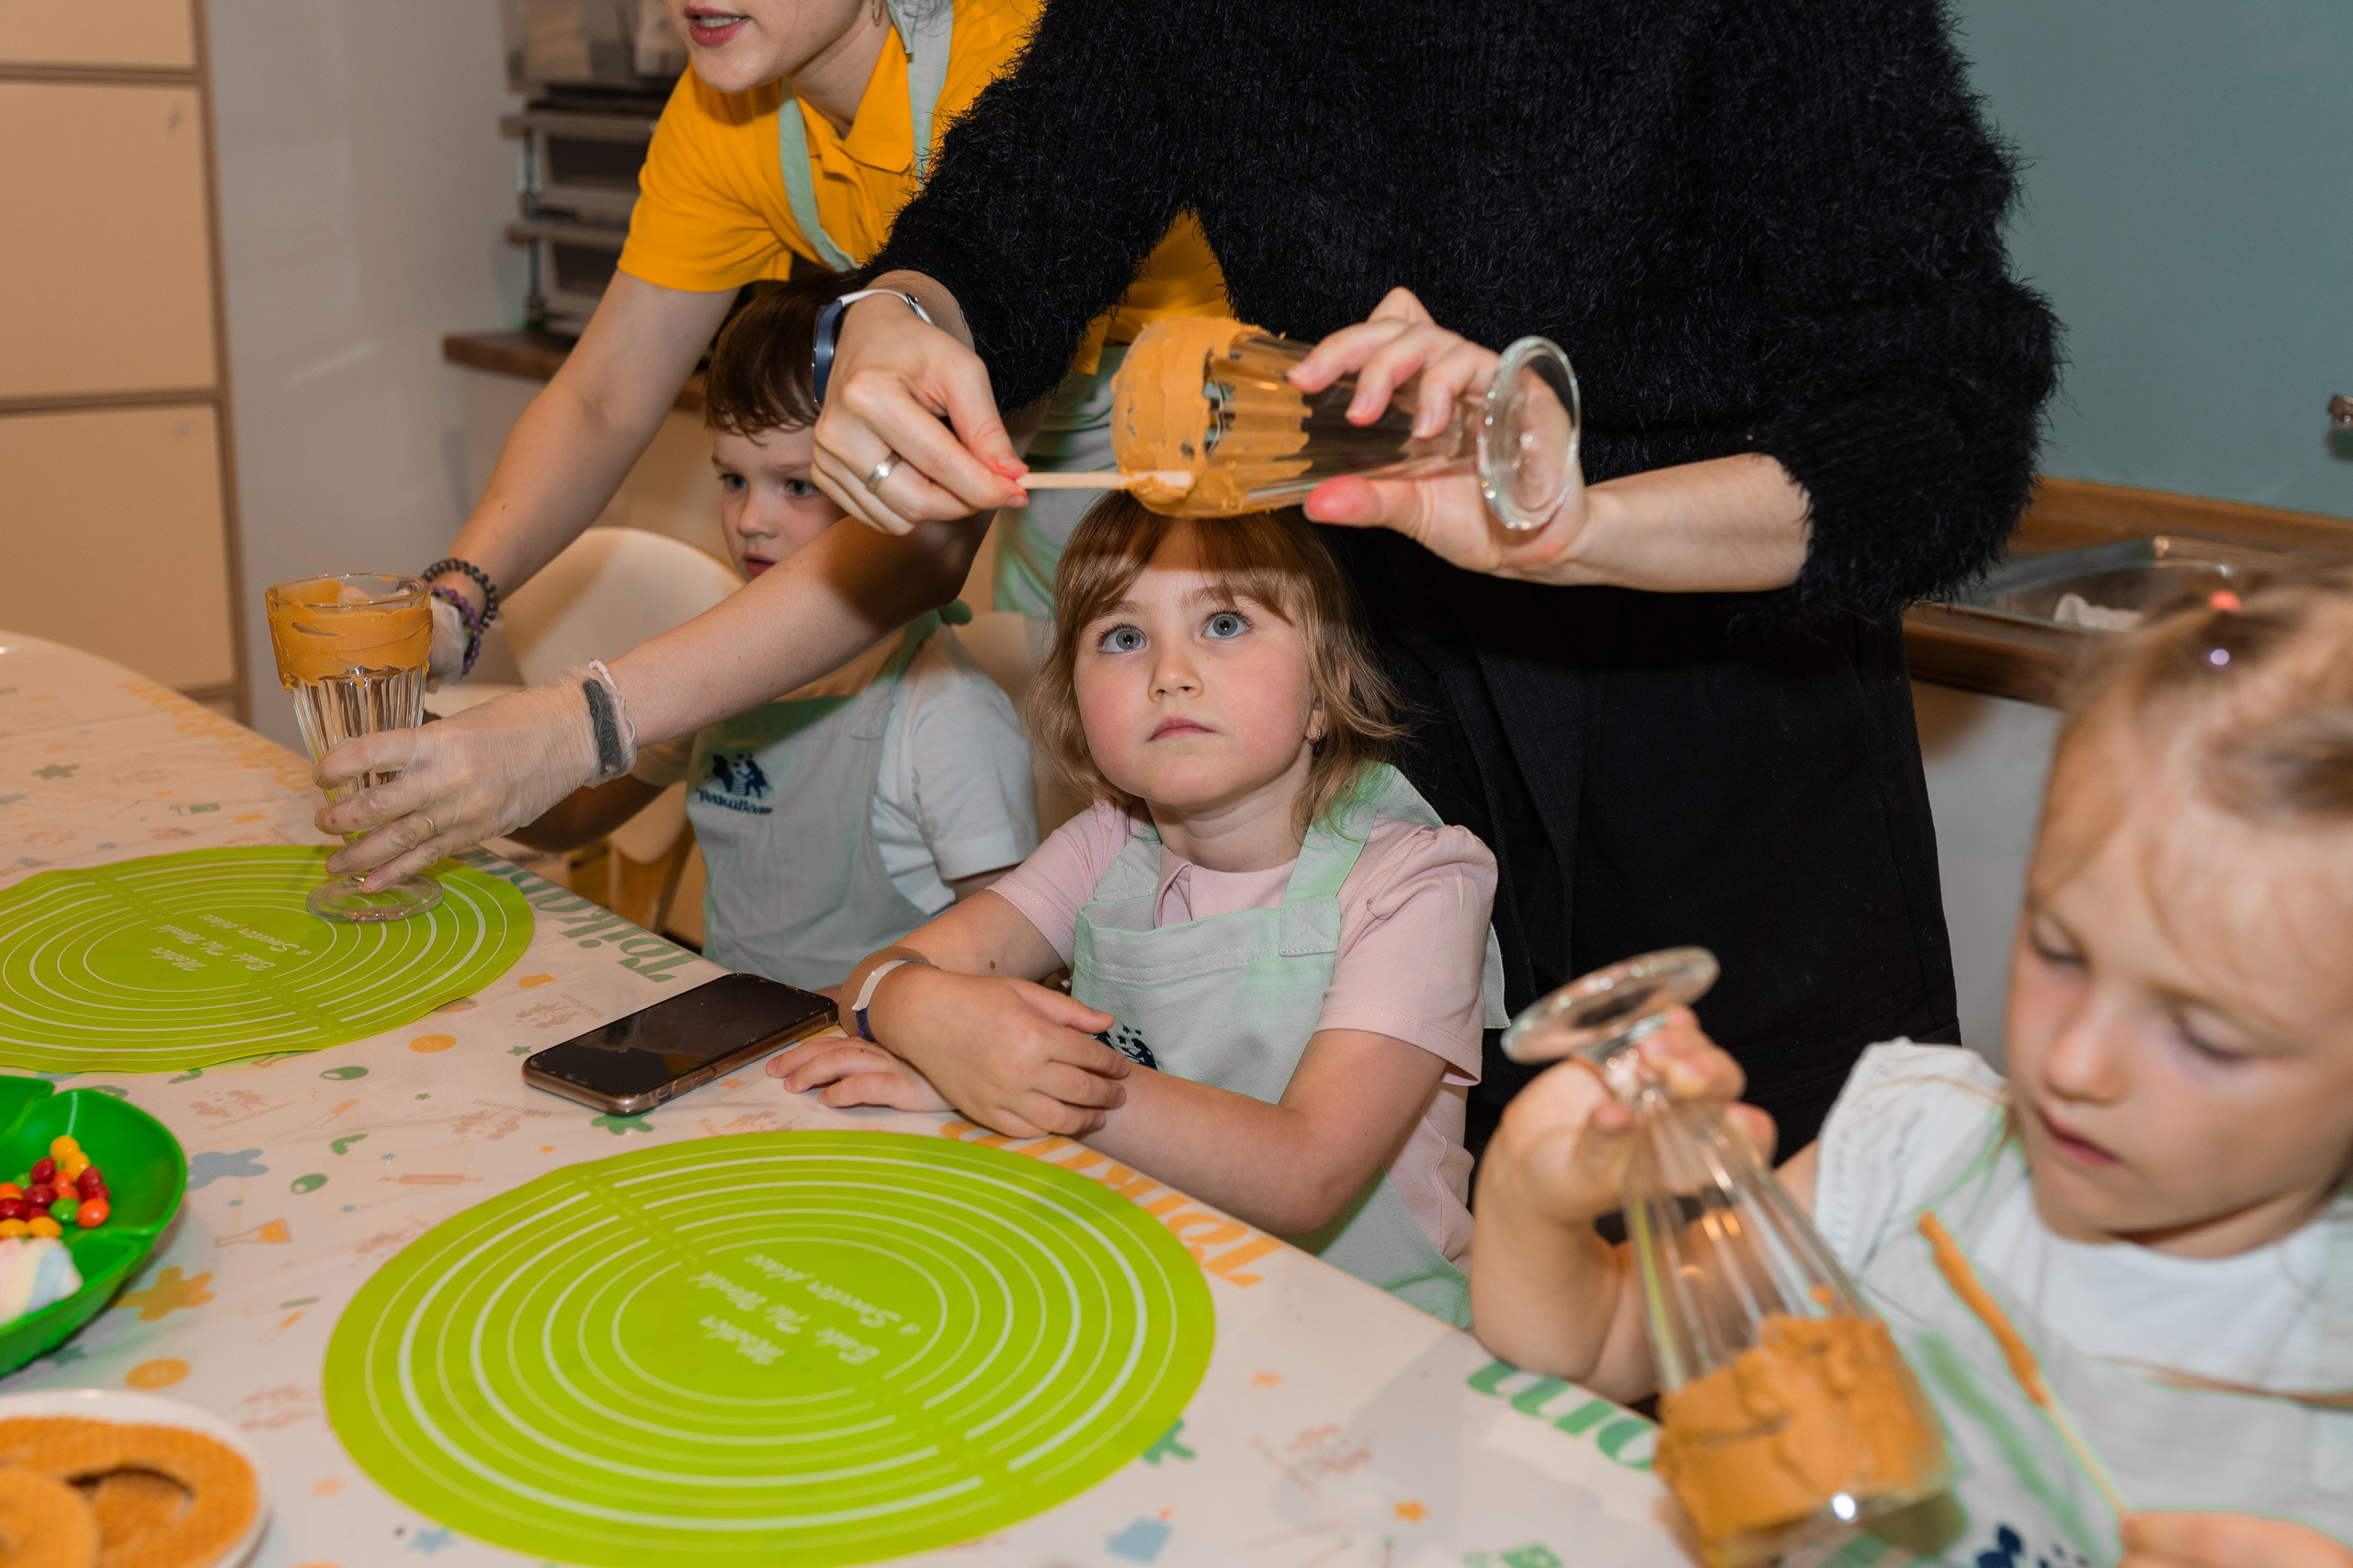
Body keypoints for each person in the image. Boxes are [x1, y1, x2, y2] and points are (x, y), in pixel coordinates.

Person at [802, 0, 2061, 1153]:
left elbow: (1938, 425)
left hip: (1725, 687)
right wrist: (898, 314)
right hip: (1386, 686)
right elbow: (1008, 228)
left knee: (1762, 1244)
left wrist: (1578, 526)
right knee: (1442, 1243)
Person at [1471, 574, 2353, 1562]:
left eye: (2206, 1036)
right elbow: (1590, 1343)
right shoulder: (1913, 1146)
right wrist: (1532, 1193)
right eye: (2060, 950)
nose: (2072, 1062)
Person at [764, 498, 1506, 1325]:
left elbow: (1308, 1173)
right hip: (1150, 1285)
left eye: (1224, 622)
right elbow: (871, 980)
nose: (1169, 672)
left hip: (1375, 1336)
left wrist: (1038, 1079)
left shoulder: (1421, 880)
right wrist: (925, 1020)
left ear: (1323, 693)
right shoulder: (1105, 843)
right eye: (1123, 637)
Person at [417, 0, 1225, 688]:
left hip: (1241, 471)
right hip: (1055, 496)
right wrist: (453, 599)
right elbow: (602, 399)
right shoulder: (723, 110)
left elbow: (934, 548)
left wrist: (581, 726)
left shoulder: (1012, 65)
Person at [507, 279, 1036, 992]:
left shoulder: (944, 711)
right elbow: (577, 817)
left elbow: (1014, 963)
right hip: (740, 1050)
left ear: (898, 477)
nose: (752, 519)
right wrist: (457, 770)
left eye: (796, 485)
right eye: (733, 479)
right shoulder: (719, 669)